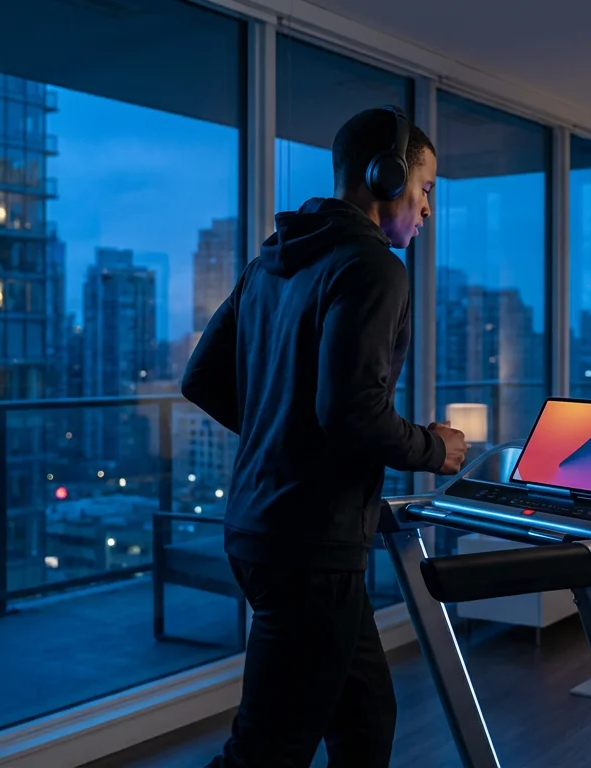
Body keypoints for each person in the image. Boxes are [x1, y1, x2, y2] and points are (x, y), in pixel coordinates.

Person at [183, 106, 468, 768]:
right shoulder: (372, 267)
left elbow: (203, 379)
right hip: (311, 543)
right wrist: (435, 449)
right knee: (265, 752)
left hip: (261, 527)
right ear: (386, 177)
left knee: (366, 722)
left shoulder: (272, 262)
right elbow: (353, 412)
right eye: (424, 188)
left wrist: (285, 433)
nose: (428, 209)